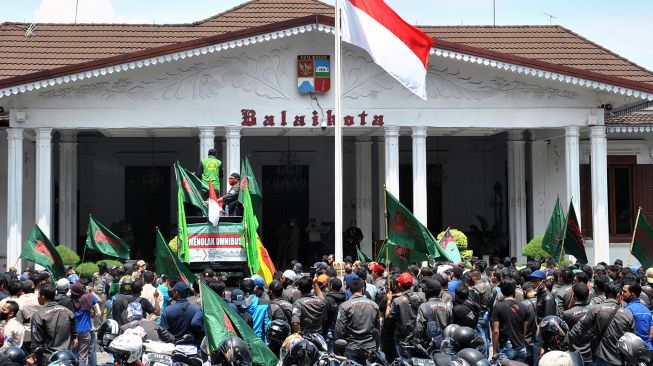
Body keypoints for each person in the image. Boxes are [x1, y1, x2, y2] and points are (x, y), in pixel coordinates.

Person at [567, 282, 635, 366]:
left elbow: (580, 328)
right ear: (618, 294)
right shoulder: (627, 313)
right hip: (620, 359)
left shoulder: (596, 309)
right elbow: (631, 337)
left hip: (601, 357)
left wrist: (566, 341)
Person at [335, 277, 380, 363]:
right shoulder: (374, 305)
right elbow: (377, 329)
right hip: (370, 347)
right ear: (363, 289)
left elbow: (339, 329)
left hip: (351, 347)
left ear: (350, 289)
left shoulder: (344, 306)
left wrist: (340, 347)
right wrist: (377, 345)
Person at [30, 283, 77, 366]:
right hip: (66, 357)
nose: (37, 297)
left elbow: (37, 343)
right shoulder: (67, 311)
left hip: (48, 359)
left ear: (43, 296)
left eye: (38, 295)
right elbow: (74, 335)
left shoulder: (38, 315)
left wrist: (33, 356)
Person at [491, 278, 529, 363]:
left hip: (506, 347)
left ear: (501, 291)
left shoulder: (498, 307)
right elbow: (525, 330)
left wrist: (494, 351)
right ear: (514, 290)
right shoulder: (524, 307)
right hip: (521, 346)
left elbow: (496, 331)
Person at [386, 273, 417, 359]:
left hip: (402, 338)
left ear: (399, 284)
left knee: (404, 361)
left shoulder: (397, 301)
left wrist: (389, 302)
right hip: (417, 336)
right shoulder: (421, 296)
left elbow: (388, 317)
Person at [562, 282, 593, 365]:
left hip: (574, 355)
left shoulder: (567, 314)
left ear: (573, 295)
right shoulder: (595, 310)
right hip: (591, 354)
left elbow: (565, 335)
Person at [415, 278, 452, 346]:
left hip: (428, 344)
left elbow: (419, 329)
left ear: (426, 292)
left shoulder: (423, 307)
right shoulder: (446, 307)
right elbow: (450, 325)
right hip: (443, 343)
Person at [70, 281, 97, 366]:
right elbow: (98, 300)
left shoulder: (69, 299)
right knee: (83, 356)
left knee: (73, 354)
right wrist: (91, 292)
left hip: (73, 331)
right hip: (85, 331)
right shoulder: (88, 297)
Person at [622, 281, 653, 350]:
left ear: (632, 295)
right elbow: (651, 331)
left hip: (633, 350)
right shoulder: (647, 310)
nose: (622, 293)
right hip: (648, 349)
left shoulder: (628, 309)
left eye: (624, 292)